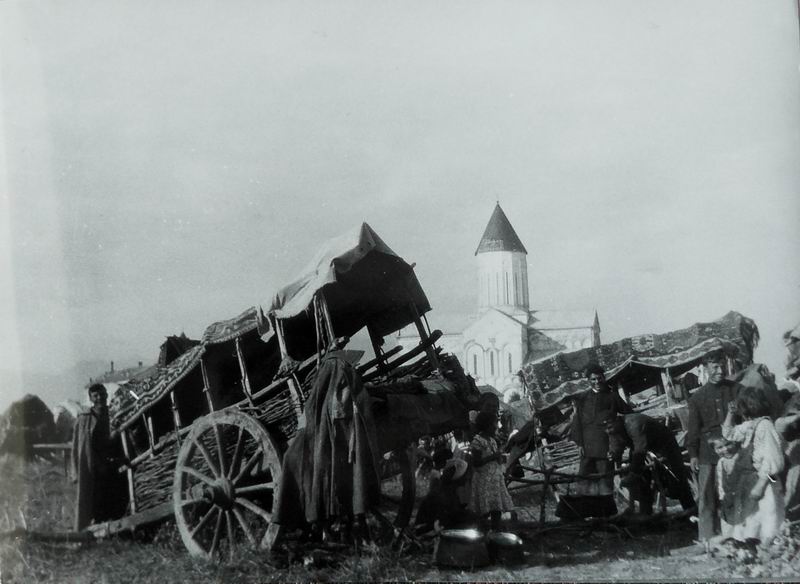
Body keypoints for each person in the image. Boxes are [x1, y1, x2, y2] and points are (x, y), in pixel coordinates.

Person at [686, 350, 742, 542]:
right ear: (705, 368)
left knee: (734, 490)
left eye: (722, 366)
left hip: (732, 449)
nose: (720, 371)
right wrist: (693, 454)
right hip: (707, 453)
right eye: (715, 367)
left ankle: (737, 533)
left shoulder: (736, 389)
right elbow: (693, 430)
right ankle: (706, 537)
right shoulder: (697, 398)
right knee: (706, 495)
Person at [720, 387, 786, 546]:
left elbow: (773, 461)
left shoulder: (765, 426)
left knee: (770, 516)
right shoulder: (750, 425)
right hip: (753, 478)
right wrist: (730, 413)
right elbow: (728, 434)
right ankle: (752, 549)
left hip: (768, 478)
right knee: (752, 518)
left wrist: (761, 485)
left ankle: (771, 548)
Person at [605, 413, 695, 515]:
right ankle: (646, 513)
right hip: (643, 447)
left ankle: (690, 510)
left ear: (617, 420)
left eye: (610, 427)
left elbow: (640, 450)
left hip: (664, 443)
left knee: (676, 475)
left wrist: (633, 473)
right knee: (642, 479)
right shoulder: (614, 429)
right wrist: (612, 455)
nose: (608, 431)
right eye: (606, 429)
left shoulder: (633, 424)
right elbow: (617, 447)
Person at [569, 363, 632, 495]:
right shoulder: (583, 398)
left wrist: (617, 440)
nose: (597, 382)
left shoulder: (612, 396)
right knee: (584, 479)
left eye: (599, 378)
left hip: (605, 446)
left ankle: (606, 512)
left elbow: (628, 414)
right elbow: (577, 422)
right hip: (586, 447)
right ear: (589, 381)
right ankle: (585, 509)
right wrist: (579, 443)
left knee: (605, 480)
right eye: (593, 379)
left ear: (604, 378)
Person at [71, 383, 116, 531]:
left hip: (111, 463)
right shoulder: (84, 419)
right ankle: (91, 529)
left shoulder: (113, 414)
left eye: (102, 394)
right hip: (91, 466)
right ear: (90, 398)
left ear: (107, 395)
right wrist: (75, 471)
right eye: (95, 395)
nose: (99, 398)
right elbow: (77, 447)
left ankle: (109, 527)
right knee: (91, 498)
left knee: (110, 497)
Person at [468, 411, 514, 530]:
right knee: (484, 509)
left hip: (495, 479)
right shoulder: (477, 441)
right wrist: (493, 457)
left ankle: (496, 531)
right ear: (486, 425)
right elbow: (476, 463)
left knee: (496, 507)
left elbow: (494, 457)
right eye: (494, 423)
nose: (496, 426)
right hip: (484, 480)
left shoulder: (492, 440)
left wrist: (499, 458)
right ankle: (481, 532)